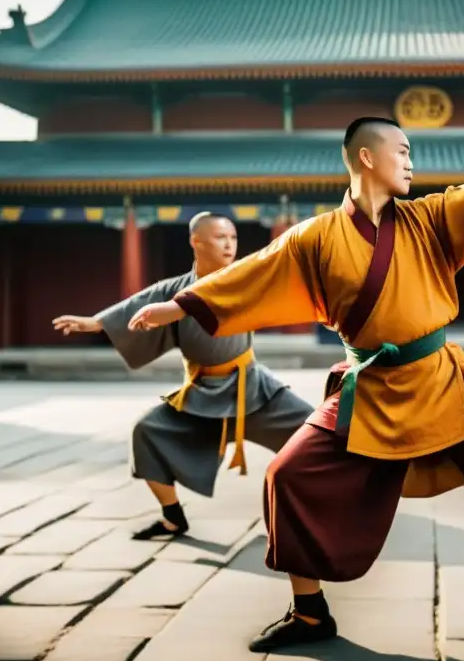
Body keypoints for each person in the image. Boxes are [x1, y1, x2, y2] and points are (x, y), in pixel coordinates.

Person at [127, 118, 464, 651]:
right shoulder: (314, 237)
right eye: (404, 150)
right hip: (367, 387)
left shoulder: (431, 218)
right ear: (366, 158)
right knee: (286, 476)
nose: (412, 160)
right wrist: (179, 304)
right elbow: (254, 273)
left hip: (443, 375)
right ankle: (309, 614)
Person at [52, 212, 315, 541]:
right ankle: (172, 518)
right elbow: (135, 305)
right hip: (201, 397)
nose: (230, 244)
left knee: (317, 433)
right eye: (221, 237)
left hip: (253, 391)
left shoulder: (245, 276)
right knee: (146, 432)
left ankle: (337, 507)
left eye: (233, 238)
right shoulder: (174, 290)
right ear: (197, 241)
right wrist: (95, 322)